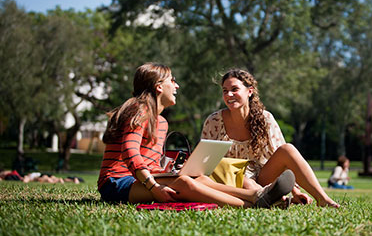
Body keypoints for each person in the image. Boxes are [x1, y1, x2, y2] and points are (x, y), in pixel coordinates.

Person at [97, 63, 294, 207]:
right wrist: (154, 186)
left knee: (197, 177)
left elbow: (150, 163)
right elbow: (130, 154)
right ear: (158, 87)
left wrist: (169, 171)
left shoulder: (162, 122)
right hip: (117, 182)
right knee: (184, 183)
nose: (177, 86)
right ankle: (252, 203)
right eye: (172, 81)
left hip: (142, 179)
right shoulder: (138, 110)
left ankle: (256, 195)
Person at [201, 69, 339, 208]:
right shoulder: (214, 121)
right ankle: (272, 199)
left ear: (250, 91)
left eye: (234, 89)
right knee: (245, 181)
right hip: (228, 179)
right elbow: (204, 162)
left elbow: (283, 160)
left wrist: (295, 191)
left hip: (261, 178)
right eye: (225, 91)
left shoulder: (265, 119)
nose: (229, 94)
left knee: (287, 149)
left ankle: (323, 199)